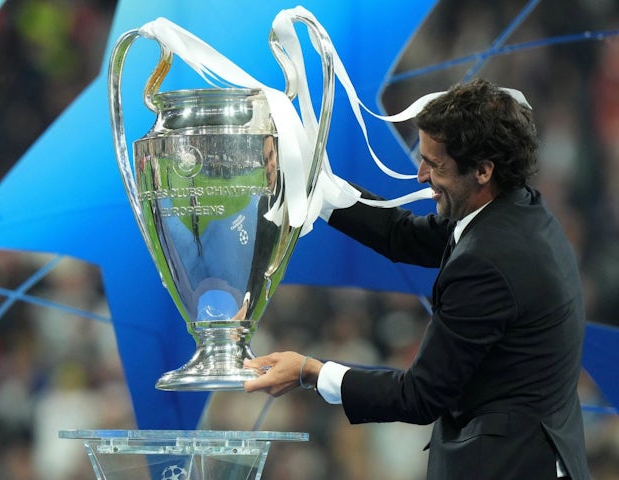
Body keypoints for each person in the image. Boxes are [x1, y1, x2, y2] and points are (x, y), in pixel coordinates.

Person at [243, 78, 590, 480]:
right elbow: (402, 234)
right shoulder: (518, 212)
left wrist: (312, 372)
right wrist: (309, 184)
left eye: (435, 164)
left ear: (482, 170)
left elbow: (420, 396)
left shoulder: (488, 261)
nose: (422, 175)